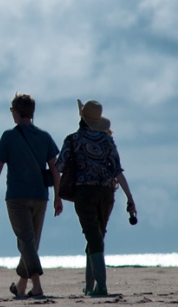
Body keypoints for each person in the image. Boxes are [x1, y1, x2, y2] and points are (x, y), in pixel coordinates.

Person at [0, 93, 62, 298]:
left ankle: (36, 285)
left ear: (16, 112)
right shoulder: (44, 137)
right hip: (40, 196)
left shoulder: (9, 136)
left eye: (12, 111)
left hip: (17, 196)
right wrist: (57, 196)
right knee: (31, 242)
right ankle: (21, 286)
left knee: (26, 241)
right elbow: (55, 169)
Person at [56, 99, 135, 296]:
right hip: (107, 193)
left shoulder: (72, 140)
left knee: (93, 237)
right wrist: (130, 198)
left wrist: (54, 191)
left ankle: (100, 286)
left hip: (85, 193)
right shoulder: (107, 141)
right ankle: (89, 286)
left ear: (81, 118)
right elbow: (117, 171)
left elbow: (58, 167)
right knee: (97, 236)